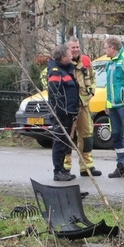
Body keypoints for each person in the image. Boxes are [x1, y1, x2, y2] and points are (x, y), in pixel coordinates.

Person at [64, 38, 101, 177]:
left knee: (87, 135)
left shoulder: (86, 61)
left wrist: (92, 91)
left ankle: (87, 167)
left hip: (84, 104)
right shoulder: (63, 62)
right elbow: (47, 78)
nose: (75, 50)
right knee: (68, 135)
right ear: (68, 49)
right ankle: (65, 167)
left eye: (77, 47)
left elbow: (92, 77)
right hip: (68, 106)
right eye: (73, 47)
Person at [102, 36, 124, 179]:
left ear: (112, 48)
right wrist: (107, 103)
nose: (104, 50)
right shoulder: (110, 63)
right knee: (116, 136)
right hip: (113, 107)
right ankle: (121, 166)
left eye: (105, 47)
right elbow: (109, 86)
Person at [46, 44, 80, 182]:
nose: (72, 55)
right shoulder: (56, 71)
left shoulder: (66, 69)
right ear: (62, 57)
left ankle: (62, 170)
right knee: (59, 142)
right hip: (61, 113)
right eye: (69, 54)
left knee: (66, 142)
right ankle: (58, 170)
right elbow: (55, 94)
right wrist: (60, 112)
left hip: (69, 112)